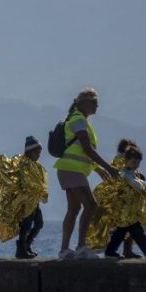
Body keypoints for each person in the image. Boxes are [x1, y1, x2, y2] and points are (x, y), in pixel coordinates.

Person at [53, 87, 116, 260]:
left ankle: (65, 250)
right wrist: (109, 168)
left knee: (74, 208)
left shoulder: (80, 120)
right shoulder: (78, 120)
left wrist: (97, 169)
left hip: (70, 169)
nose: (97, 106)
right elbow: (87, 149)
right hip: (71, 170)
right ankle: (81, 247)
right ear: (84, 103)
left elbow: (82, 152)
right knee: (90, 205)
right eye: (94, 102)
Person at [0, 135, 49, 259]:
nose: (39, 154)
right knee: (26, 224)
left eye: (39, 152)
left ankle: (26, 245)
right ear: (30, 151)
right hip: (25, 201)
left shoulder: (35, 165)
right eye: (37, 152)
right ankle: (21, 249)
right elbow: (25, 181)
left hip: (33, 200)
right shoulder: (24, 163)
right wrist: (38, 189)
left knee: (39, 223)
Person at [101, 145, 146, 259]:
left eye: (138, 162)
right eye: (134, 161)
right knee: (128, 232)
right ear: (126, 160)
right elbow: (134, 184)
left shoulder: (133, 174)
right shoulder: (123, 173)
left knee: (128, 232)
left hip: (130, 212)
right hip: (123, 212)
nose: (136, 164)